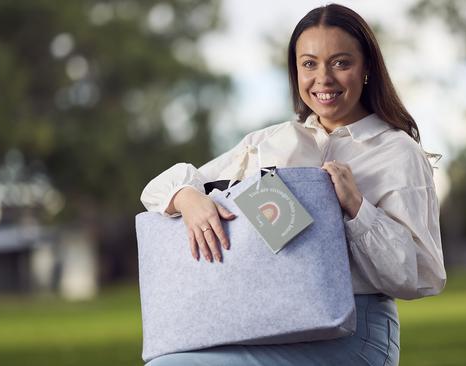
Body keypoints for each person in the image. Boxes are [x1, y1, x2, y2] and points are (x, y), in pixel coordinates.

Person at [140, 3, 446, 365]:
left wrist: (358, 208)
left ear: (366, 70)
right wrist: (188, 198)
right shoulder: (269, 143)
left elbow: (420, 276)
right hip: (267, 319)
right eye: (309, 63)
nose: (323, 79)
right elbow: (156, 191)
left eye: (341, 63)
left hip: (352, 332)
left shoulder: (397, 151)